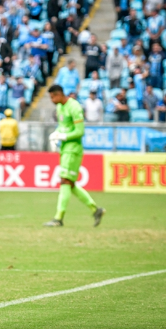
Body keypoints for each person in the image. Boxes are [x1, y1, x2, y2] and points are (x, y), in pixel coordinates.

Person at [45, 85, 105, 228]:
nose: (52, 100)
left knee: (65, 181)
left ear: (59, 94)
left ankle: (58, 218)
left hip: (74, 150)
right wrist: (56, 135)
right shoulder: (60, 107)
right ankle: (95, 210)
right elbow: (62, 126)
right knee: (69, 184)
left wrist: (64, 136)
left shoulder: (74, 106)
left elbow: (80, 131)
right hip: (65, 149)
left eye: (53, 97)